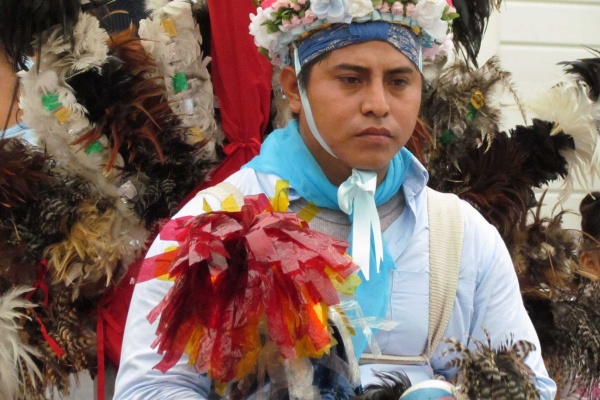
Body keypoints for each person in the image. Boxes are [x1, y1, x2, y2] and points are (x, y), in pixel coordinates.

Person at [114, 0, 557, 398]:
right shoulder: (213, 224)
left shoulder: (461, 236)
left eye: (400, 81)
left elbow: (527, 384)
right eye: (351, 79)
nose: (378, 104)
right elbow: (151, 387)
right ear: (293, 89)